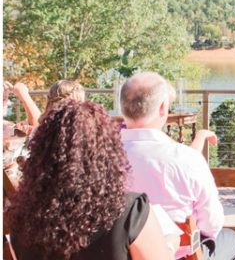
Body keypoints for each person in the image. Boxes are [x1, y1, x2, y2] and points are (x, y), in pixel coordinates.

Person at [6, 100, 173, 260]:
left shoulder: (21, 216)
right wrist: (170, 246)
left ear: (40, 153)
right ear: (107, 152)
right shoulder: (129, 211)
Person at [119, 72, 235, 260]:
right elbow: (212, 224)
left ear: (122, 108)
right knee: (233, 241)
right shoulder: (187, 159)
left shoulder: (100, 159)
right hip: (180, 255)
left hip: (122, 253)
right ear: (163, 108)